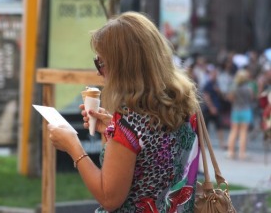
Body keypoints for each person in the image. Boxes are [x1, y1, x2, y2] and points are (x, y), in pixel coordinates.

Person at [47, 12, 201, 212]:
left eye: (101, 63)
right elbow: (152, 163)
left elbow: (109, 198)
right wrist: (113, 132)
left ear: (122, 67)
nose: (98, 72)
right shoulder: (185, 105)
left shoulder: (130, 120)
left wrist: (73, 146)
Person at [226, 69, 254, 160]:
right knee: (243, 132)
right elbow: (252, 98)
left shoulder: (234, 87)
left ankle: (230, 151)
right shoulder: (249, 88)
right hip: (246, 110)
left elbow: (230, 98)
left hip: (236, 110)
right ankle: (242, 153)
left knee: (233, 131)